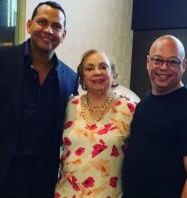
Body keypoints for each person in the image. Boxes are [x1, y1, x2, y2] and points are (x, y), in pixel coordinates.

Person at [0, 1, 78, 198]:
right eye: (42, 22)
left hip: (42, 184)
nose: (48, 30)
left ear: (64, 35)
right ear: (29, 25)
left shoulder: (70, 78)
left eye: (56, 26)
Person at [122, 35, 187, 198]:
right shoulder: (144, 102)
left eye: (173, 62)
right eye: (157, 60)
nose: (163, 67)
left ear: (183, 65)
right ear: (148, 62)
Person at [54, 49, 136, 197]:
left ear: (112, 73)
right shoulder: (69, 105)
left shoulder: (129, 109)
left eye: (103, 67)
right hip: (66, 193)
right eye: (89, 68)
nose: (97, 72)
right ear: (83, 77)